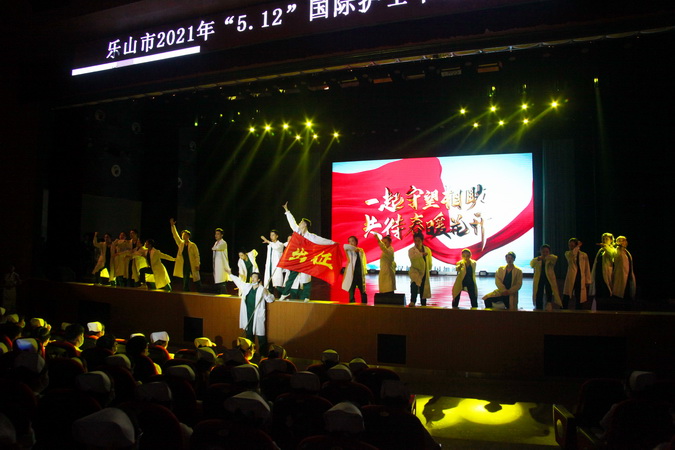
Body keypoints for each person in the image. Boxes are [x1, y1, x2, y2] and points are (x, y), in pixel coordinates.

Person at [279, 202, 336, 302]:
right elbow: (292, 222)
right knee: (291, 276)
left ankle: (306, 296)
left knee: (306, 278)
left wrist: (332, 242)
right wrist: (287, 210)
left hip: (306, 259)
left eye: (301, 222)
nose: (299, 223)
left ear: (305, 224)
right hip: (297, 258)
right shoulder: (297, 231)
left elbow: (321, 240)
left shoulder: (311, 236)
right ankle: (285, 293)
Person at [227, 267, 275, 355]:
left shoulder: (262, 289)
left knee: (261, 336)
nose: (253, 279)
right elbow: (238, 282)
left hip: (257, 315)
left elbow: (270, 299)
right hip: (248, 314)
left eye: (255, 277)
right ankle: (249, 354)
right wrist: (230, 274)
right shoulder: (247, 286)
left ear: (259, 279)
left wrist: (266, 293)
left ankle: (263, 355)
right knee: (249, 335)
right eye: (252, 277)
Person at [170, 218, 201, 292]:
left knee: (196, 279)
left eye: (185, 235)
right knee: (185, 278)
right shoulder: (181, 244)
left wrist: (197, 264)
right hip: (185, 264)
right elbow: (175, 236)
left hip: (192, 263)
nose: (183, 236)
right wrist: (173, 226)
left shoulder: (193, 245)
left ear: (188, 236)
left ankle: (200, 290)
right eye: (182, 235)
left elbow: (197, 255)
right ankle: (186, 290)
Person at [562, 238, 592, 310]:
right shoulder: (568, 253)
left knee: (579, 295)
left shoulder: (584, 255)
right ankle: (563, 310)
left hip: (580, 277)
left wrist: (587, 280)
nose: (570, 247)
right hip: (571, 276)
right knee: (567, 294)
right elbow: (573, 254)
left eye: (572, 246)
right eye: (569, 245)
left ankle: (578, 310)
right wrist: (577, 246)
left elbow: (587, 268)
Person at [530, 244, 562, 310]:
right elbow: (531, 264)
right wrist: (538, 259)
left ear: (549, 252)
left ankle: (548, 304)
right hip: (539, 278)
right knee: (539, 292)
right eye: (543, 252)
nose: (545, 253)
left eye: (546, 252)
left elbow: (555, 258)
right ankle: (538, 307)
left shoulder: (551, 258)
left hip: (549, 278)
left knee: (549, 291)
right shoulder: (537, 259)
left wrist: (545, 257)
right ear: (540, 252)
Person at [342, 236, 368, 304]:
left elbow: (364, 261)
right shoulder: (349, 250)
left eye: (353, 241)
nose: (351, 243)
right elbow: (345, 246)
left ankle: (365, 305)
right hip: (352, 274)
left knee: (363, 291)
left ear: (356, 242)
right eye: (349, 241)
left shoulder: (361, 250)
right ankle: (352, 305)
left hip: (359, 273)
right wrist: (355, 248)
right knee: (351, 291)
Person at [409, 233, 432, 306]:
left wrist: (429, 268)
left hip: (424, 272)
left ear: (422, 241)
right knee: (414, 287)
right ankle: (413, 301)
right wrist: (421, 254)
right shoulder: (411, 250)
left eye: (418, 241)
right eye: (415, 241)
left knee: (423, 288)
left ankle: (423, 304)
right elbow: (412, 258)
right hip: (415, 271)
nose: (417, 243)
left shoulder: (427, 250)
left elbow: (429, 261)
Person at [590, 232, 615, 300]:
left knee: (606, 289)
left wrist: (606, 247)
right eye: (603, 239)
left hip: (606, 273)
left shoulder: (612, 249)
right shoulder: (601, 250)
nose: (604, 240)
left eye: (606, 239)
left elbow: (612, 255)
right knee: (599, 289)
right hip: (599, 272)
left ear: (611, 240)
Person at [261, 229, 285, 297]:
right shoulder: (269, 245)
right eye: (270, 235)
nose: (271, 237)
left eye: (273, 235)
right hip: (269, 267)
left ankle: (281, 298)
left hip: (276, 267)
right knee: (269, 285)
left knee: (278, 285)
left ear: (277, 236)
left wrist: (268, 241)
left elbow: (276, 247)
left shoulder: (280, 244)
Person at [612, 236, 636, 302]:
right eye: (620, 241)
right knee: (620, 291)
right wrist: (618, 247)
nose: (622, 242)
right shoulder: (616, 251)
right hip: (620, 274)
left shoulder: (627, 252)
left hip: (628, 274)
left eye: (623, 240)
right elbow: (616, 256)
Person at [212, 227, 231, 294]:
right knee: (218, 282)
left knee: (221, 281)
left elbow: (217, 248)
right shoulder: (216, 243)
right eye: (215, 234)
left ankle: (224, 295)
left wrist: (214, 248)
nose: (216, 235)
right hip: (217, 265)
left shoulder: (223, 243)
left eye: (218, 234)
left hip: (222, 265)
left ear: (221, 235)